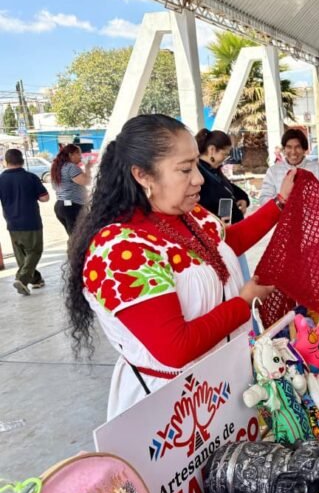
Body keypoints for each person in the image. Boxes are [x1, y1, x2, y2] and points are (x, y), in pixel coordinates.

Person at [65, 114, 297, 419]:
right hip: (173, 414)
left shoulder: (190, 216)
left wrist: (280, 202)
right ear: (143, 175)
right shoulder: (121, 249)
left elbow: (227, 244)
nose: (199, 178)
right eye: (185, 169)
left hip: (225, 387)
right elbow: (175, 348)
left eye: (196, 165)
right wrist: (245, 301)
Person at [0, 148, 49, 295]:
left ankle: (36, 279)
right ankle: (21, 279)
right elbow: (45, 198)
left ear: (6, 162)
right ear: (21, 160)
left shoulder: (1, 179)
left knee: (22, 255)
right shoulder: (30, 177)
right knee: (34, 251)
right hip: (31, 222)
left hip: (12, 223)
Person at [259, 129, 319, 205]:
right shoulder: (273, 171)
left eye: (297, 147)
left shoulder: (318, 169)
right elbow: (264, 199)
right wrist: (282, 201)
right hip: (282, 216)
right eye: (289, 147)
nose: (293, 152)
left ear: (304, 149)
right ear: (284, 149)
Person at [195, 129, 250, 224]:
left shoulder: (213, 170)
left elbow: (227, 187)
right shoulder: (198, 173)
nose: (225, 159)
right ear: (211, 150)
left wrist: (243, 198)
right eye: (224, 154)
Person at [51, 143, 91, 235]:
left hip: (61, 204)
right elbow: (86, 181)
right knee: (78, 238)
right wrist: (87, 168)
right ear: (71, 155)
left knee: (73, 236)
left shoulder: (57, 167)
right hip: (72, 205)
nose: (80, 157)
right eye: (78, 153)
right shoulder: (71, 167)